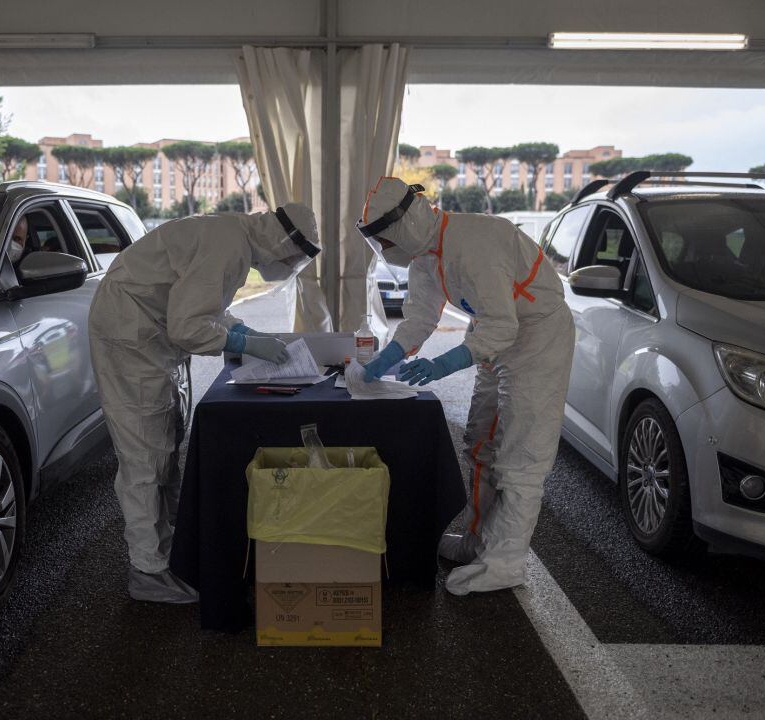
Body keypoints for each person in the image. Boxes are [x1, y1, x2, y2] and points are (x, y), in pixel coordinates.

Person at [88, 204, 321, 603]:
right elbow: (187, 326)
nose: (291, 263)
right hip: (132, 336)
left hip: (146, 334)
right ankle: (147, 570)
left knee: (164, 441)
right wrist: (242, 342)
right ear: (284, 241)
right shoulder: (229, 244)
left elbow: (206, 306)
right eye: (296, 255)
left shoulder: (233, 237)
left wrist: (242, 330)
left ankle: (167, 543)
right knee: (145, 455)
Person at [356, 177, 575, 596]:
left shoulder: (474, 243)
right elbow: (421, 316)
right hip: (495, 337)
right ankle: (478, 541)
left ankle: (506, 561)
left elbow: (502, 323)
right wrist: (389, 355)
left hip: (538, 337)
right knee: (481, 442)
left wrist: (446, 362)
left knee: (522, 455)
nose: (385, 250)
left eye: (385, 240)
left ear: (405, 225)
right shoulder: (426, 254)